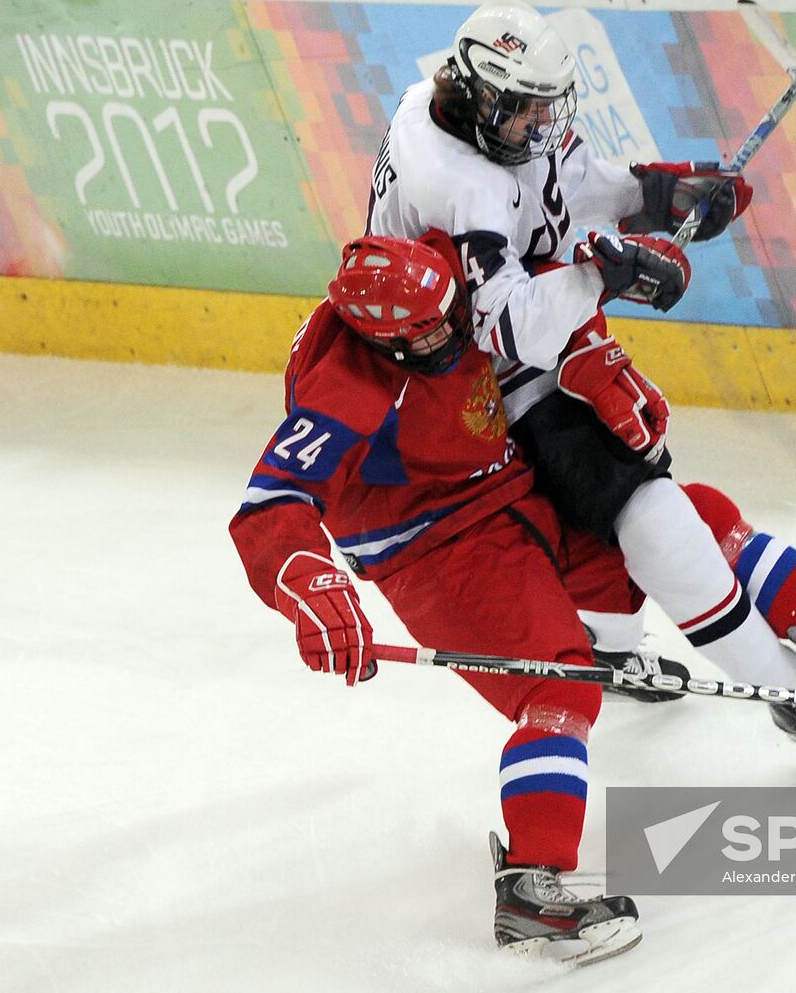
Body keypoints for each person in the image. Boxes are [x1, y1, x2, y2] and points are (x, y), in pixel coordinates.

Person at [363, 0, 796, 749]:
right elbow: (510, 324)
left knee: (674, 512)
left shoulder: (480, 119)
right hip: (464, 399)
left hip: (506, 361)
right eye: (529, 112)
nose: (542, 126)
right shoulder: (458, 184)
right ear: (485, 95)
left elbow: (566, 182)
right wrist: (605, 278)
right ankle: (789, 693)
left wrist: (659, 197)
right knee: (651, 511)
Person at [229, 233, 641, 966]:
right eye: (422, 338)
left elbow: (532, 241)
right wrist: (311, 582)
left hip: (515, 487)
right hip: (441, 549)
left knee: (674, 528)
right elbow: (272, 507)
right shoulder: (348, 385)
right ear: (378, 338)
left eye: (448, 319)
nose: (448, 339)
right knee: (560, 690)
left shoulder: (437, 267)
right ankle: (530, 884)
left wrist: (627, 237)